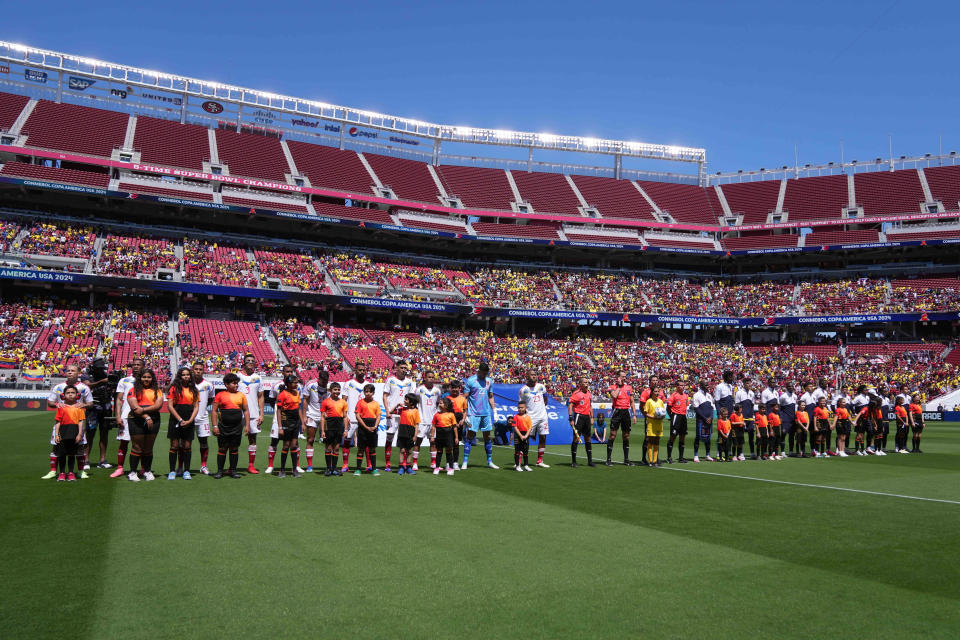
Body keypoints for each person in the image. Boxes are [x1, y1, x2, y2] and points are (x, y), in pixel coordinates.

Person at [45, 364, 93, 479]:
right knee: (56, 446)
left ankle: (80, 471)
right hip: (62, 422)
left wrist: (84, 404)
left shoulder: (84, 387)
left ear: (78, 373)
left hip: (77, 423)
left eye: (73, 371)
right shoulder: (58, 387)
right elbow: (50, 402)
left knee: (80, 446)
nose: (70, 372)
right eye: (68, 371)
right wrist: (57, 404)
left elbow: (91, 403)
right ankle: (53, 471)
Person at [126, 369, 165, 482]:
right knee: (137, 447)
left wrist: (142, 410)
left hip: (154, 419)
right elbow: (134, 407)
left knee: (148, 448)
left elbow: (158, 406)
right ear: (140, 378)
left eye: (149, 377)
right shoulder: (133, 390)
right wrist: (147, 416)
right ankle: (133, 472)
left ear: (152, 378)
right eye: (144, 377)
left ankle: (147, 471)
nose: (146, 379)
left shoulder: (157, 391)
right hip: (136, 420)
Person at [211, 373, 250, 478]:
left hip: (237, 427)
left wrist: (247, 425)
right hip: (223, 427)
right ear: (226, 384)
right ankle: (220, 471)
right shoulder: (220, 395)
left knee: (234, 449)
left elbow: (246, 411)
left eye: (237, 383)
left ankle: (233, 471)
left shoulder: (241, 395)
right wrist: (215, 426)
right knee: (222, 448)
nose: (236, 385)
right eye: (234, 383)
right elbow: (214, 411)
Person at [110, 358, 143, 478]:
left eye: (138, 365)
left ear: (143, 366)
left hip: (141, 416)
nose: (136, 367)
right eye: (134, 365)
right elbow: (119, 399)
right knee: (124, 442)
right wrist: (118, 416)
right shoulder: (124, 380)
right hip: (126, 415)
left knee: (142, 444)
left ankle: (143, 468)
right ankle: (120, 468)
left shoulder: (147, 380)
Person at [462, 362, 498, 470]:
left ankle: (490, 461)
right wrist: (465, 413)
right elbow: (465, 397)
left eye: (486, 373)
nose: (484, 375)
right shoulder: (471, 381)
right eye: (483, 373)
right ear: (479, 371)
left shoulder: (489, 381)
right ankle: (465, 461)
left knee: (487, 437)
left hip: (486, 413)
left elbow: (490, 396)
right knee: (470, 437)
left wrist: (494, 411)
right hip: (473, 413)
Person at [383, 360, 416, 473]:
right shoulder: (390, 380)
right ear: (396, 368)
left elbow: (412, 398)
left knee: (406, 440)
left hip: (405, 415)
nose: (404, 370)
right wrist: (387, 411)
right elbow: (385, 396)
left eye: (405, 368)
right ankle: (387, 464)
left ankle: (405, 465)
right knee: (389, 437)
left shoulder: (409, 381)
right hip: (393, 414)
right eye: (401, 368)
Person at [166, 366, 199, 480]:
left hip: (189, 420)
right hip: (176, 419)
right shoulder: (174, 388)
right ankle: (172, 471)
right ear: (180, 376)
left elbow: (196, 407)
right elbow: (170, 406)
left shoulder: (194, 389)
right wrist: (180, 419)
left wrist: (190, 420)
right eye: (183, 374)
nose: (186, 376)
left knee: (187, 446)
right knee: (174, 445)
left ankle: (186, 471)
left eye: (188, 374)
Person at [266, 363, 297, 474]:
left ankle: (296, 466)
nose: (289, 373)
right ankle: (270, 466)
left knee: (294, 442)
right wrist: (279, 409)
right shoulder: (276, 385)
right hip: (278, 417)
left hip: (292, 419)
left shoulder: (296, 386)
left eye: (290, 371)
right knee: (275, 440)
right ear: (283, 373)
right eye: (287, 371)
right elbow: (270, 400)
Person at [238, 354, 265, 474]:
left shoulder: (258, 378)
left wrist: (262, 414)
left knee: (253, 440)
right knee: (233, 440)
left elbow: (261, 397)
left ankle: (251, 465)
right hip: (237, 413)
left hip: (253, 413)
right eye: (248, 360)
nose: (250, 362)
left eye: (252, 361)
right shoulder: (237, 376)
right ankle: (231, 466)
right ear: (243, 362)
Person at [519, 371, 551, 468]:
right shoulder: (523, 390)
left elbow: (545, 398)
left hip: (543, 417)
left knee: (543, 438)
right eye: (532, 375)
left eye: (535, 374)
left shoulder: (541, 387)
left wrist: (542, 408)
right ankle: (519, 461)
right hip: (530, 418)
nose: (534, 376)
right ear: (527, 376)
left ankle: (539, 461)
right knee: (525, 439)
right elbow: (521, 405)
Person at [275, 374, 306, 477]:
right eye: (294, 382)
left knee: (294, 446)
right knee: (286, 445)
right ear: (288, 384)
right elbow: (278, 411)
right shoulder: (282, 394)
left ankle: (294, 470)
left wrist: (302, 423)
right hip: (286, 422)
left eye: (297, 382)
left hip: (296, 422)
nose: (296, 384)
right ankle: (282, 470)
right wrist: (280, 427)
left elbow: (298, 409)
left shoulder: (296, 393)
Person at [53, 385, 85, 481]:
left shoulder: (79, 407)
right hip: (63, 431)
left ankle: (71, 472)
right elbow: (57, 422)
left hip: (74, 432)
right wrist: (57, 434)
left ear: (77, 395)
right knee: (62, 454)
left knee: (72, 454)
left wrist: (79, 434)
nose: (70, 395)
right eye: (68, 393)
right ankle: (62, 473)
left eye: (72, 393)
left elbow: (81, 422)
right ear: (64, 395)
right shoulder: (61, 407)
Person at [341, 363, 368, 473]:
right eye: (360, 370)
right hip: (351, 418)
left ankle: (369, 465)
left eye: (363, 370)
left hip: (365, 418)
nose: (362, 372)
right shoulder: (348, 384)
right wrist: (345, 415)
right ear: (355, 371)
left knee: (365, 442)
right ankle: (345, 464)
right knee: (347, 441)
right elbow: (343, 401)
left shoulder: (368, 384)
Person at [302, 368, 329, 472]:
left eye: (326, 381)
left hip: (325, 416)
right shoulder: (310, 384)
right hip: (312, 415)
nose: (324, 383)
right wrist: (304, 416)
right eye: (323, 381)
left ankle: (329, 465)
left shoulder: (329, 387)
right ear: (319, 379)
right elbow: (305, 400)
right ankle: (309, 465)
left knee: (327, 441)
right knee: (310, 439)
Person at [607, 370, 636, 466]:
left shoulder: (629, 387)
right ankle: (608, 459)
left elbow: (632, 402)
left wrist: (634, 415)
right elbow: (614, 395)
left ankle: (626, 459)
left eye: (625, 376)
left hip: (626, 412)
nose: (624, 378)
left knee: (626, 436)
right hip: (617, 411)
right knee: (612, 435)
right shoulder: (612, 387)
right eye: (622, 376)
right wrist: (619, 386)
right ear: (618, 377)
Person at [414, 370, 441, 472]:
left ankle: (433, 463)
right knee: (418, 442)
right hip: (421, 420)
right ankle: (415, 463)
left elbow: (438, 403)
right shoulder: (419, 389)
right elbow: (415, 402)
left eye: (432, 377)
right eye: (429, 377)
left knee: (433, 442)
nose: (431, 379)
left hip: (433, 421)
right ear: (425, 378)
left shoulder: (437, 390)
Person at [192, 361, 215, 475]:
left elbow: (210, 399)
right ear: (193, 370)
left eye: (200, 369)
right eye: (196, 369)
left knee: (204, 442)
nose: (198, 371)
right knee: (184, 443)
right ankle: (182, 467)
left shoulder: (208, 385)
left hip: (202, 417)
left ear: (203, 370)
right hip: (188, 418)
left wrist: (202, 407)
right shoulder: (186, 383)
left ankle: (203, 466)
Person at [320, 382, 347, 476]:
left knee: (336, 448)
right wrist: (322, 431)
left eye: (338, 389)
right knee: (328, 448)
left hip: (339, 426)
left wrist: (346, 430)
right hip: (329, 427)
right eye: (335, 389)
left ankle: (334, 468)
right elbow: (323, 417)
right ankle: (328, 468)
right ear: (330, 391)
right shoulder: (325, 401)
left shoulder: (343, 402)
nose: (337, 391)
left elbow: (345, 417)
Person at [354, 383, 381, 476]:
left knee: (372, 449)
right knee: (361, 448)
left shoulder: (376, 403)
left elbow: (378, 416)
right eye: (366, 391)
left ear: (373, 393)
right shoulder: (360, 402)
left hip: (373, 426)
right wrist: (365, 426)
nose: (368, 393)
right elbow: (357, 415)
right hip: (363, 426)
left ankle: (373, 469)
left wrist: (375, 426)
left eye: (370, 392)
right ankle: (358, 469)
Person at [568, 377, 596, 467]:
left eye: (587, 382)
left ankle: (590, 461)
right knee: (576, 438)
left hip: (587, 417)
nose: (587, 384)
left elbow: (590, 406)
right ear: (580, 384)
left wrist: (592, 417)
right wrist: (571, 418)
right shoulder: (576, 394)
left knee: (588, 438)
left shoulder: (589, 394)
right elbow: (570, 406)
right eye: (585, 382)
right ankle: (574, 461)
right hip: (579, 417)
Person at [393, 393, 420, 475]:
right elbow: (391, 411)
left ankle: (408, 467)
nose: (404, 400)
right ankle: (401, 467)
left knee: (408, 450)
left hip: (411, 432)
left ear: (411, 402)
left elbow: (416, 424)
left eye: (406, 399)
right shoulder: (402, 409)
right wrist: (396, 405)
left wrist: (415, 435)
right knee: (402, 450)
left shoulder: (415, 411)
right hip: (402, 432)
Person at [431, 396, 458, 476]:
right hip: (439, 434)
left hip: (448, 434)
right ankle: (437, 467)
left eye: (441, 403)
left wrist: (456, 437)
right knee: (439, 452)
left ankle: (450, 468)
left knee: (449, 452)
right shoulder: (436, 415)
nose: (439, 404)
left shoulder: (451, 415)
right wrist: (432, 436)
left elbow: (454, 427)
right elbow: (433, 426)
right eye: (439, 403)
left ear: (446, 405)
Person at [643, 383, 666, 467]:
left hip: (659, 423)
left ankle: (655, 461)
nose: (657, 393)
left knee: (657, 441)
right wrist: (653, 417)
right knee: (651, 441)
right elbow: (646, 413)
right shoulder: (649, 401)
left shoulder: (660, 401)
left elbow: (663, 412)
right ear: (652, 392)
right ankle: (650, 461)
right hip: (651, 424)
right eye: (655, 391)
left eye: (658, 391)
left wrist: (662, 416)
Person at [666, 382, 689, 463]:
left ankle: (681, 458)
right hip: (676, 416)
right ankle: (669, 457)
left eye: (683, 385)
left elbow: (686, 405)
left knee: (682, 437)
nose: (682, 387)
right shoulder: (673, 395)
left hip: (683, 416)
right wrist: (671, 416)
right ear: (677, 386)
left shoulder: (686, 396)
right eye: (681, 385)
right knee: (673, 436)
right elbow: (668, 407)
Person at [447, 380, 468, 470]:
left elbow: (465, 411)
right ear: (450, 388)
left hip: (459, 422)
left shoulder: (463, 399)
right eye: (453, 388)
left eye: (456, 388)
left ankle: (455, 462)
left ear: (459, 388)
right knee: (448, 443)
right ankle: (448, 463)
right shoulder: (447, 398)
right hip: (448, 422)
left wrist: (463, 420)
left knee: (456, 443)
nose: (455, 389)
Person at [692, 380, 715, 462]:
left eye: (708, 385)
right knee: (698, 437)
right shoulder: (696, 395)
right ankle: (696, 455)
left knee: (708, 437)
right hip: (701, 420)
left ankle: (707, 455)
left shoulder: (709, 395)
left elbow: (712, 408)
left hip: (709, 420)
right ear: (701, 386)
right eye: (706, 385)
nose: (708, 386)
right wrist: (705, 418)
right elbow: (696, 409)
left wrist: (711, 417)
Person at [734, 378, 756, 460]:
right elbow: (736, 406)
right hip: (742, 419)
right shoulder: (739, 393)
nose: (749, 384)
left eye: (750, 383)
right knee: (741, 436)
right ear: (743, 384)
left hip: (750, 419)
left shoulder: (752, 393)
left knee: (751, 436)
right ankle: (740, 453)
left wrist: (753, 416)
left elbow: (752, 406)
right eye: (747, 383)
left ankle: (752, 453)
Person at [778, 381, 798, 457]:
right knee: (783, 434)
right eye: (789, 386)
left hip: (792, 419)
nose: (791, 388)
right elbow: (780, 408)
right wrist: (781, 417)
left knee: (792, 436)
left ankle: (790, 451)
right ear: (786, 387)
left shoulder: (795, 396)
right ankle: (782, 452)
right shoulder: (783, 396)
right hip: (785, 419)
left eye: (792, 386)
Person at [512, 400, 532, 471]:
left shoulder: (528, 417)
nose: (520, 409)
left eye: (522, 407)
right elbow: (515, 427)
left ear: (525, 408)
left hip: (525, 434)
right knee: (517, 450)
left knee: (525, 450)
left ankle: (526, 465)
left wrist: (526, 435)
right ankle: (517, 465)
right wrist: (520, 435)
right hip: (518, 435)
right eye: (519, 407)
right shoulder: (515, 417)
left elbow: (530, 428)